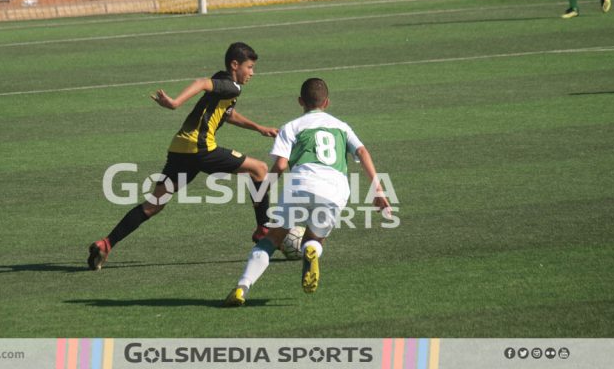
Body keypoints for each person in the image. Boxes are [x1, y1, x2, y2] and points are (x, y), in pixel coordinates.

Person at [87, 42, 278, 271]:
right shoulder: (230, 86)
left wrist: (258, 127)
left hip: (179, 149)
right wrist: (176, 103)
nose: (252, 73)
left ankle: (107, 243)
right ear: (235, 65)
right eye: (250, 67)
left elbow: (227, 114)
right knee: (260, 170)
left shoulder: (226, 84)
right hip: (201, 149)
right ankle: (263, 228)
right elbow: (201, 83)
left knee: (153, 204)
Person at [223, 77, 392, 306]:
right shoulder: (341, 126)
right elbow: (362, 152)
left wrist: (264, 189)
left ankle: (242, 287)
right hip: (334, 189)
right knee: (315, 239)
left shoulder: (291, 127)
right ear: (327, 102)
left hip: (300, 184)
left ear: (300, 101)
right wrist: (378, 190)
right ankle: (311, 250)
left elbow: (281, 165)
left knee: (271, 239)